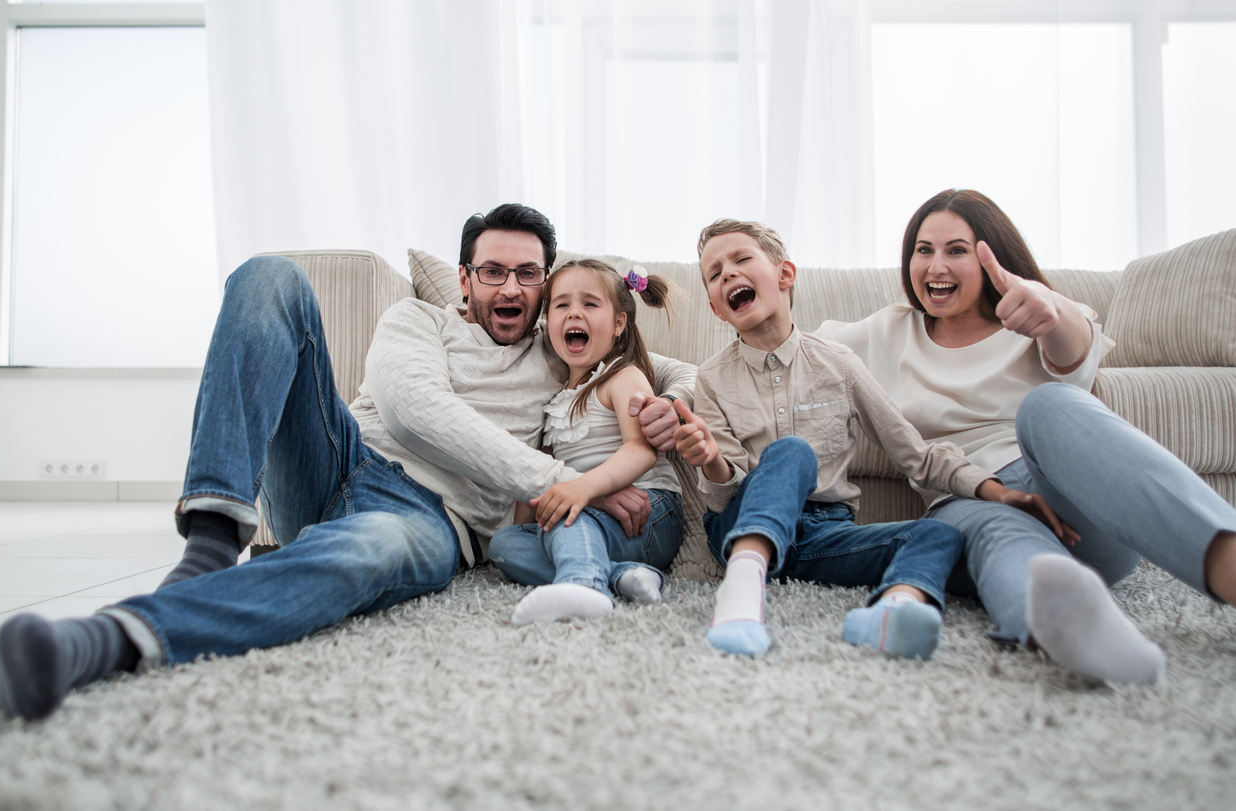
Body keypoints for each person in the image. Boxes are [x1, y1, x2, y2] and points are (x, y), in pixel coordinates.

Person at [0, 203, 694, 721]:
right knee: (268, 277)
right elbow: (410, 409)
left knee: (362, 553)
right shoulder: (416, 319)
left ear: (545, 282)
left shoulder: (564, 344)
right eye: (492, 271)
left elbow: (677, 368)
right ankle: (211, 543)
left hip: (429, 517)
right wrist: (566, 488)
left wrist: (673, 407)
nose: (510, 288)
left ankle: (100, 641)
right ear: (465, 280)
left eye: (527, 274)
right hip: (337, 454)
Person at [816, 188, 1236, 684]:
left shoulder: (1032, 313)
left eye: (956, 250)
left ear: (991, 254)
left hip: (1077, 505)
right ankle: (1082, 639)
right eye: (923, 250)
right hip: (968, 499)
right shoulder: (884, 331)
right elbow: (791, 350)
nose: (935, 266)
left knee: (1050, 404)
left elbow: (1075, 357)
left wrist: (1053, 314)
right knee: (986, 526)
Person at [671, 218, 1065, 660]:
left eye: (742, 259)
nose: (728, 273)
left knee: (940, 534)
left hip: (822, 537)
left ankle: (891, 612)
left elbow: (917, 456)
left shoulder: (839, 363)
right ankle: (741, 592)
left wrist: (1000, 492)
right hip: (741, 528)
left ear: (785, 275)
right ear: (716, 308)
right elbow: (725, 496)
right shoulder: (710, 377)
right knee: (792, 454)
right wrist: (710, 462)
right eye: (715, 272)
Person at [489, 259, 684, 625]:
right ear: (548, 323)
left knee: (566, 520)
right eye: (561, 304)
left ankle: (585, 586)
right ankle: (621, 576)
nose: (574, 312)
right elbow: (537, 481)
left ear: (618, 324)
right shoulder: (553, 401)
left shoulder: (622, 376)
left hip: (648, 511)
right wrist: (530, 520)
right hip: (590, 517)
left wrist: (580, 489)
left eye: (590, 304)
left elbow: (641, 449)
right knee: (506, 545)